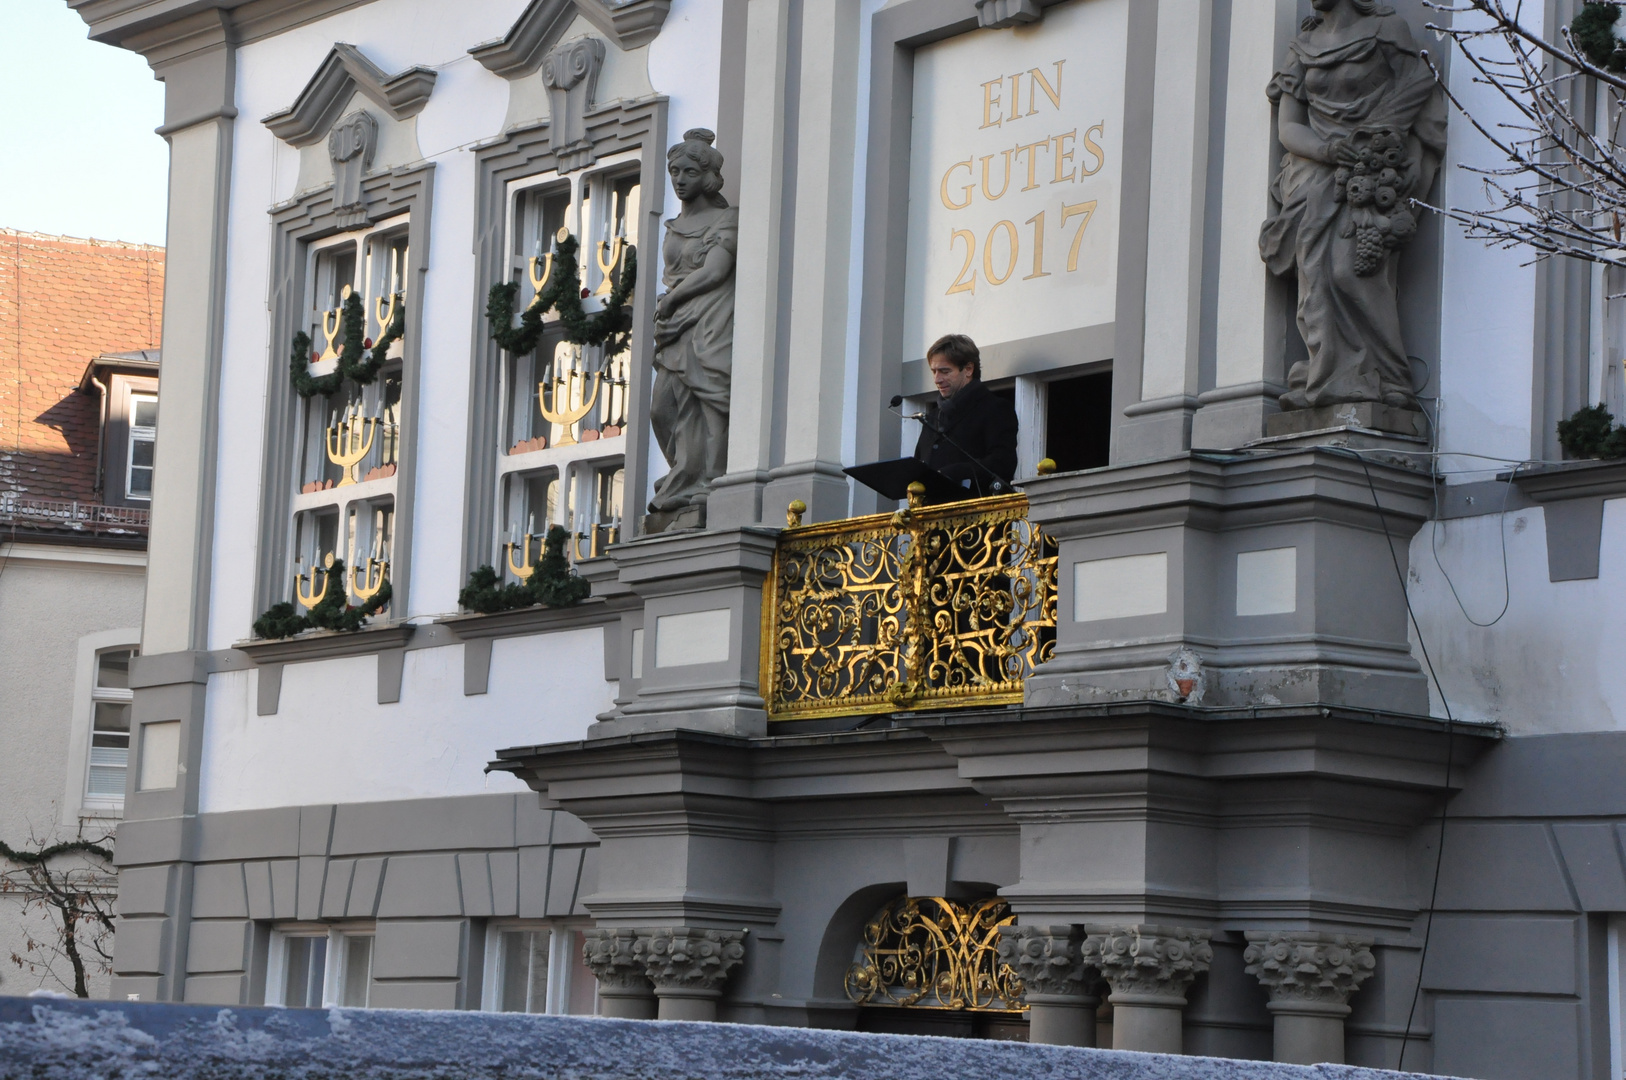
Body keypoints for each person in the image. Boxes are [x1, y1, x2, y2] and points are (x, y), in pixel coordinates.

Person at [1259, 0, 1445, 411]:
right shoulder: (1302, 46)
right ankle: (1326, 370)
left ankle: (1388, 374)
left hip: (1374, 167)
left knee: (1351, 269)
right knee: (1314, 271)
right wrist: (1329, 150)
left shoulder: (1387, 30)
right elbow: (1289, 127)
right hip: (1318, 170)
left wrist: (1385, 139)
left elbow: (1418, 88)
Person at [648, 128, 738, 526]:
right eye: (673, 172)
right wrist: (668, 306)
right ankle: (684, 472)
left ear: (707, 176)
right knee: (661, 409)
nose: (679, 179)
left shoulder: (726, 219)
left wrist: (672, 298)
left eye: (687, 171)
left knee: (711, 399)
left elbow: (717, 271)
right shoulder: (673, 225)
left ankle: (710, 479)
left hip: (710, 318)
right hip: (674, 326)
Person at [911, 334, 1018, 500]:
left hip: (975, 520)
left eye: (945, 371)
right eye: (934, 372)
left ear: (968, 369)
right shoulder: (932, 417)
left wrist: (954, 472)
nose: (937, 379)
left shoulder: (994, 408)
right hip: (929, 520)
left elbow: (1003, 463)